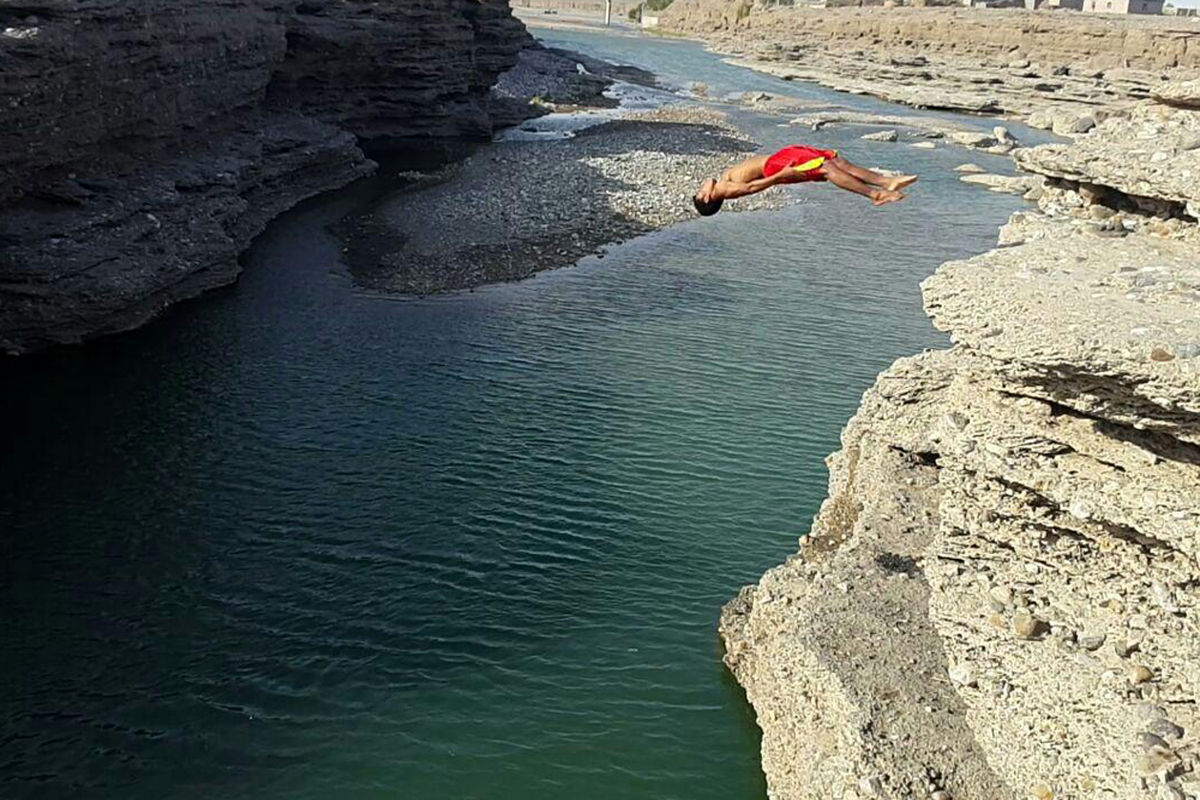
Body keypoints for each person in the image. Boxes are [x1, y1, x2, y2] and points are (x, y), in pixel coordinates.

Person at [693, 144, 917, 215]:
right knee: (826, 168)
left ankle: (886, 182)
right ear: (706, 197)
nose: (701, 185)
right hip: (775, 167)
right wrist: (781, 175)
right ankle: (875, 194)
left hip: (776, 161)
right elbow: (752, 187)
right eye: (699, 190)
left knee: (832, 160)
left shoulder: (721, 184)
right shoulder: (724, 191)